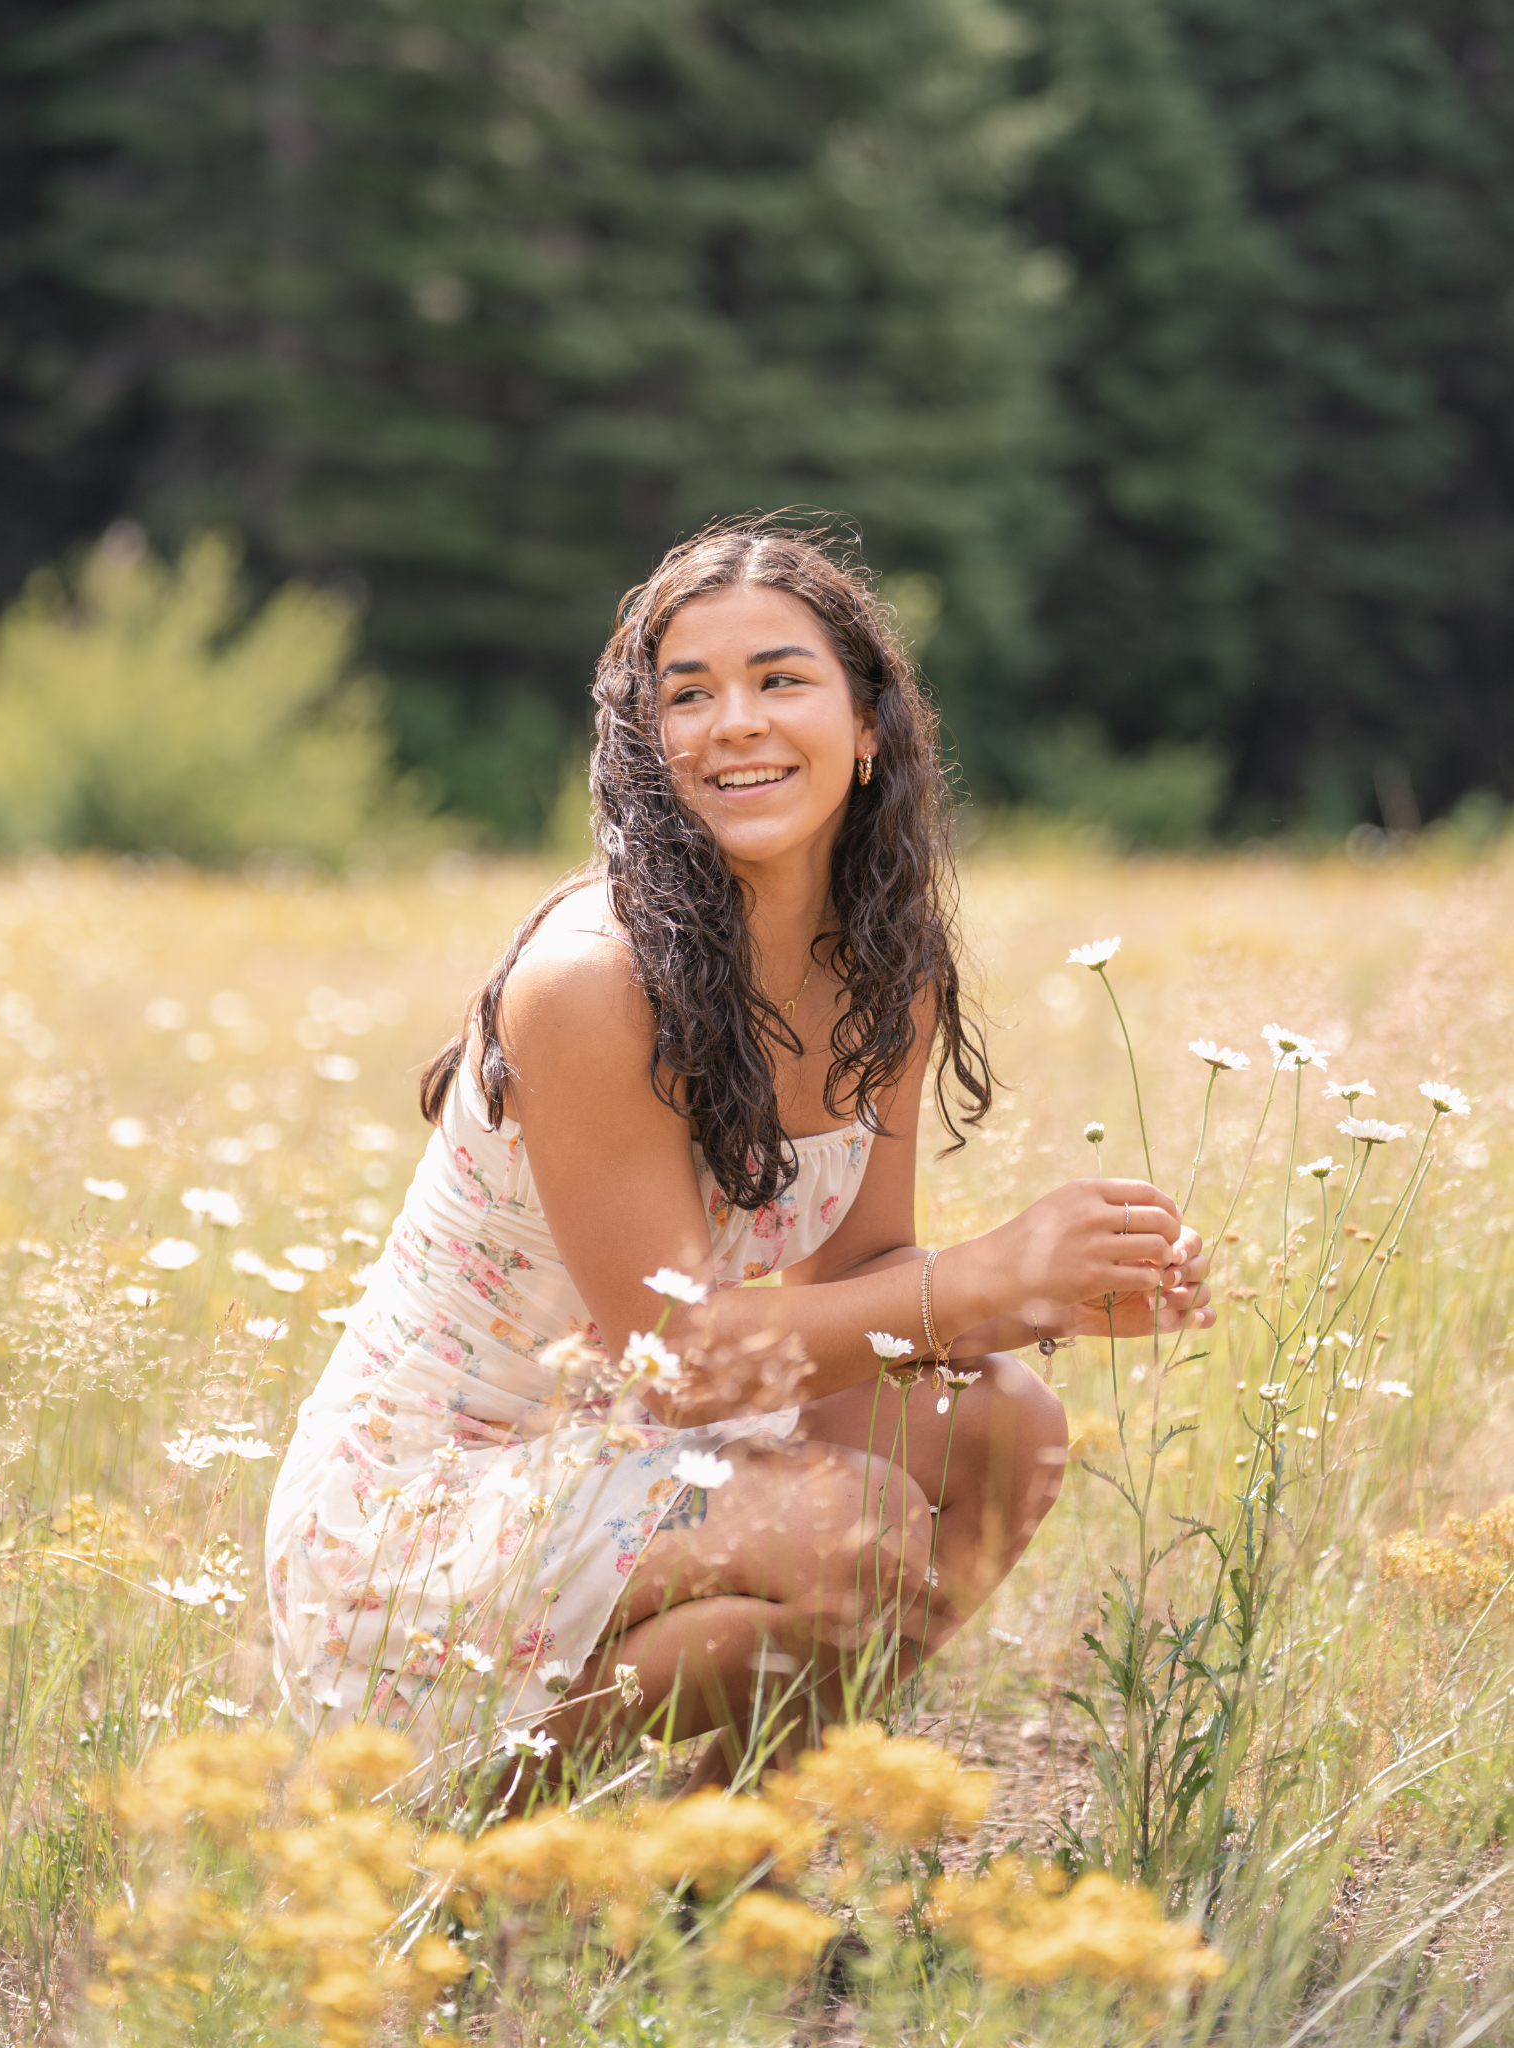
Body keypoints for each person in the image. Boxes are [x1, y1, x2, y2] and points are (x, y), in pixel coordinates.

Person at [264, 519, 1213, 1793]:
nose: (735, 723)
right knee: (856, 1527)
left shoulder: (887, 965)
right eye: (689, 695)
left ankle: (731, 1847)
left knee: (1001, 1426)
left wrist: (1068, 1295)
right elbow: (679, 1362)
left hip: (641, 1457)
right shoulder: (593, 981)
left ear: (868, 727)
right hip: (440, 1498)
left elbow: (865, 1266)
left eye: (780, 680)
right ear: (649, 749)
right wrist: (990, 1280)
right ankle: (479, 1834)